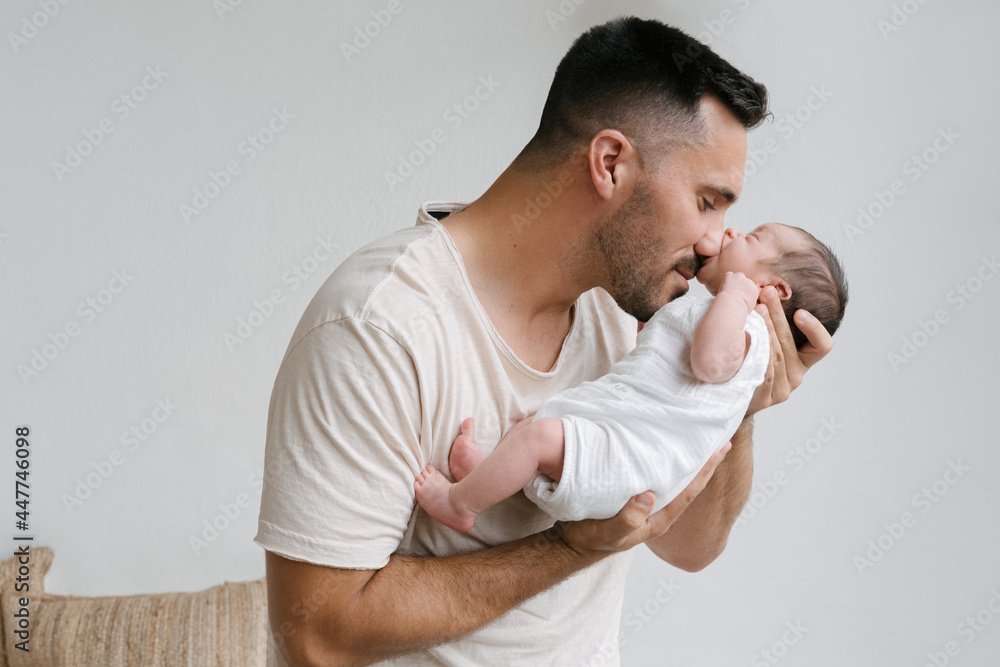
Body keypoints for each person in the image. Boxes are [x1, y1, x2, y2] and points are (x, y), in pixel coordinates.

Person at [255, 16, 835, 667]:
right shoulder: (377, 326)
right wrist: (567, 549)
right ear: (610, 163)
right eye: (708, 201)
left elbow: (688, 546)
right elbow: (315, 637)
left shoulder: (632, 314)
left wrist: (737, 401)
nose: (714, 241)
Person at [414, 223, 848, 531]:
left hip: (629, 457)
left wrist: (737, 296)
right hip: (619, 436)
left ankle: (460, 504)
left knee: (539, 437)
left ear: (774, 290)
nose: (730, 232)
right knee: (536, 426)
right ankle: (487, 477)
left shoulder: (748, 331)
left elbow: (709, 362)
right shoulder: (717, 316)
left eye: (750, 238)